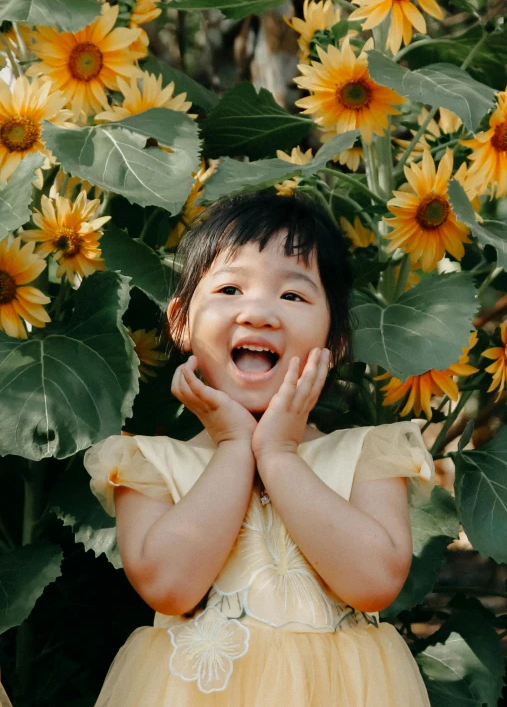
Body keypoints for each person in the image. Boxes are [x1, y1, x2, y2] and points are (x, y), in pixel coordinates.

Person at [84, 189, 435, 705]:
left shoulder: (368, 455)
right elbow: (169, 587)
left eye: (292, 296)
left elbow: (374, 582)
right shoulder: (149, 462)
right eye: (229, 289)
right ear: (180, 321)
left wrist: (278, 455)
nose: (259, 313)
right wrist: (231, 447)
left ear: (335, 341)